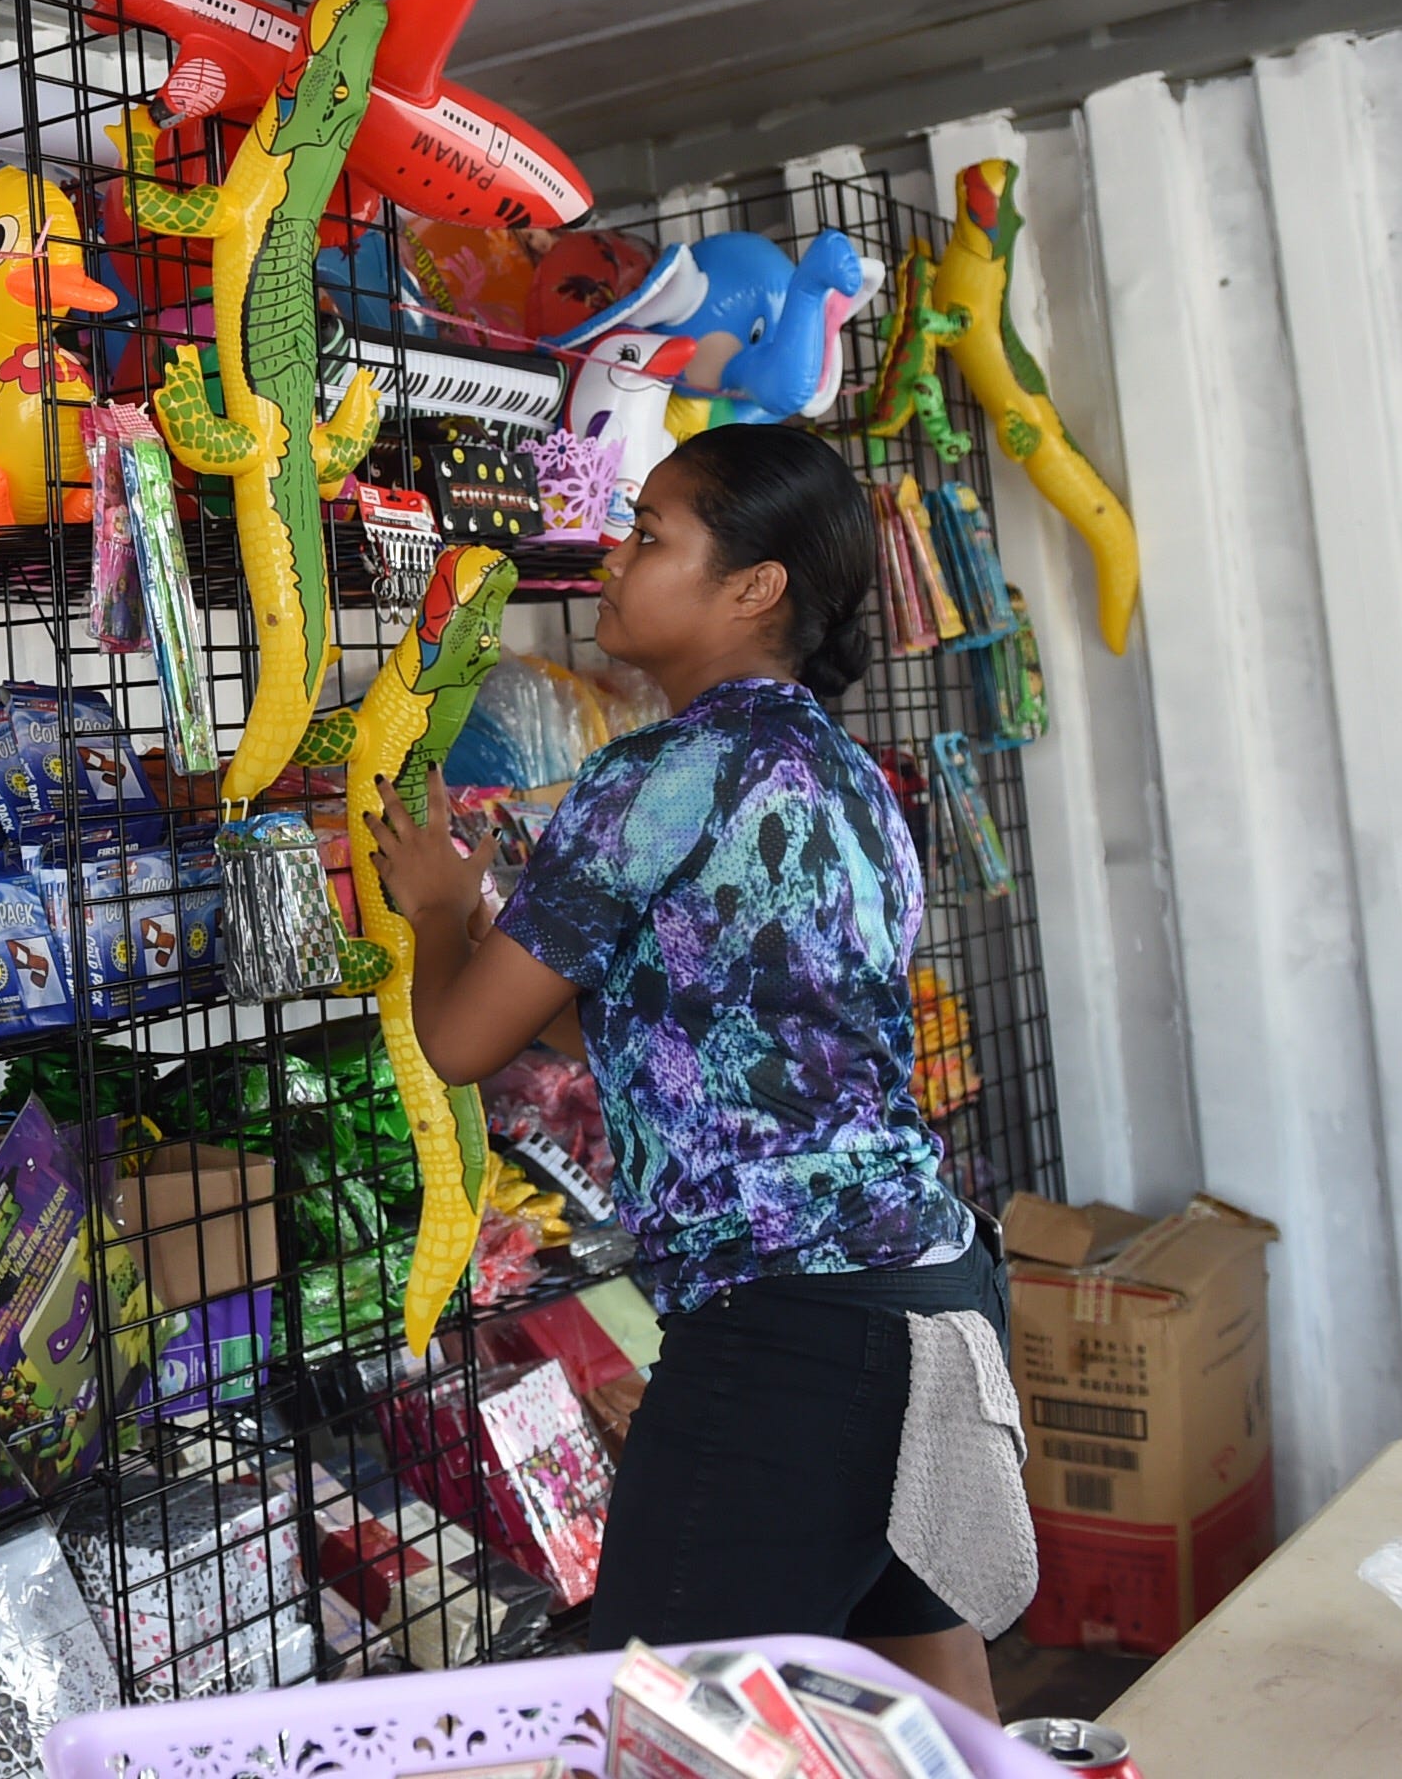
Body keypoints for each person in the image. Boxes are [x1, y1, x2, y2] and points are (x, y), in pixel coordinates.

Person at [369, 421, 1022, 1716]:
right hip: (936, 1293)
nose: (617, 557)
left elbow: (459, 1042)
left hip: (792, 1329)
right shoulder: (849, 782)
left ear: (754, 585)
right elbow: (676, 1026)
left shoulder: (658, 776)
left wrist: (444, 910)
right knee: (930, 1704)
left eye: (653, 534)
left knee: (670, 1716)